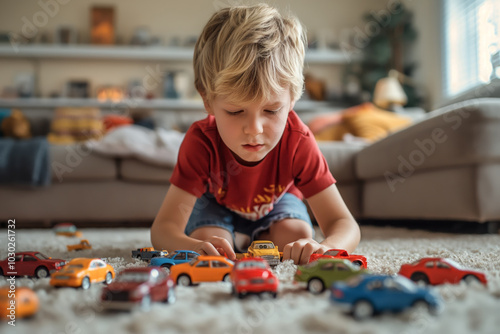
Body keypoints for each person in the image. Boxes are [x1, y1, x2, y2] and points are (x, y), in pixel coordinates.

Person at [151, 3, 360, 265]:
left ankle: (250, 239)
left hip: (278, 203)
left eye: (271, 110)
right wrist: (193, 245)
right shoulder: (200, 142)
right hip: (215, 203)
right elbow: (163, 229)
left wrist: (324, 247)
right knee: (212, 239)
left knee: (296, 235)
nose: (254, 129)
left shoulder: (298, 140)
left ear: (293, 98)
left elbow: (344, 224)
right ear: (207, 99)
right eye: (236, 111)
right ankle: (237, 239)